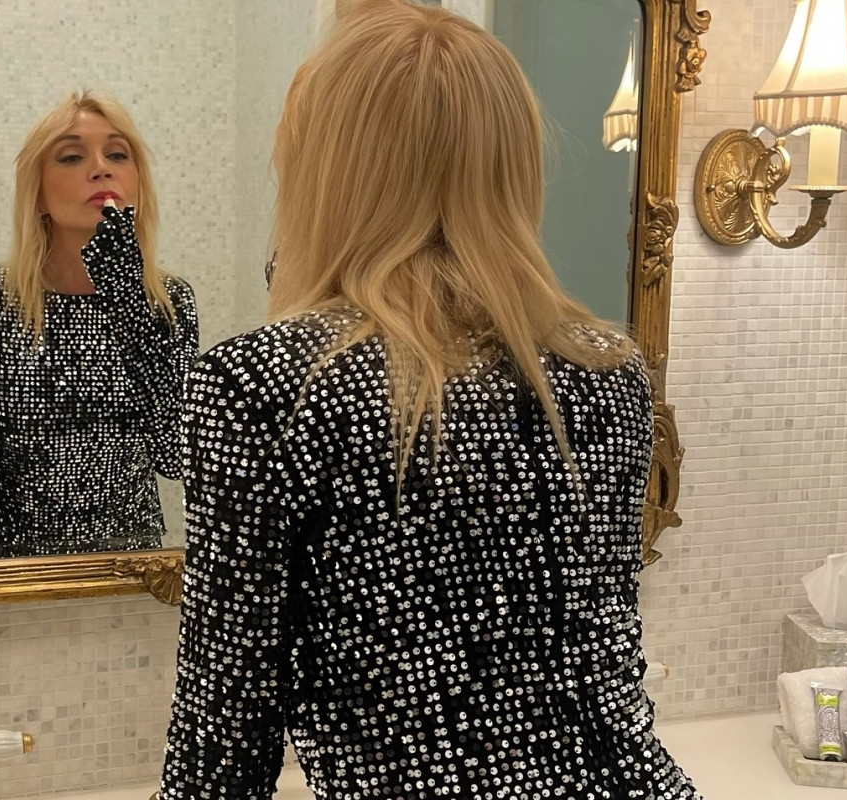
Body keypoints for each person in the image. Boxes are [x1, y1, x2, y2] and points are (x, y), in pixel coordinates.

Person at [158, 2, 699, 799]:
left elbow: (223, 744)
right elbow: (607, 677)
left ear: (326, 176)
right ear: (511, 167)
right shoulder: (608, 375)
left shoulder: (263, 385)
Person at [0, 90, 197, 560]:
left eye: (117, 154)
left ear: (139, 183)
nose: (101, 169)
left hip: (133, 566)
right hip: (19, 570)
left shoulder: (168, 301)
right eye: (72, 156)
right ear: (37, 192)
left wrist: (128, 301)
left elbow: (176, 454)